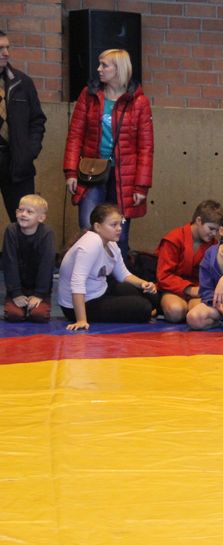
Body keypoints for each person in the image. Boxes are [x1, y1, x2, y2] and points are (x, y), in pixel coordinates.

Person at [64, 48, 153, 257]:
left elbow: (146, 148)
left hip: (125, 176)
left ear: (119, 69)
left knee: (118, 233)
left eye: (104, 65)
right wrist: (70, 172)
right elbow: (75, 135)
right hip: (92, 170)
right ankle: (88, 282)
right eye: (99, 64)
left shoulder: (139, 102)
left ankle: (113, 283)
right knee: (88, 225)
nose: (99, 69)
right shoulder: (89, 95)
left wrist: (141, 186)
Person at [57, 204, 158, 331]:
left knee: (151, 295)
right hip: (77, 305)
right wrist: (81, 320)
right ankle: (147, 311)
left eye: (120, 224)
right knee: (143, 308)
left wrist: (143, 283)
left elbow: (122, 273)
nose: (119, 229)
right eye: (113, 225)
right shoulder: (91, 242)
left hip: (100, 289)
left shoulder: (111, 243)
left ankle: (148, 306)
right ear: (97, 227)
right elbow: (77, 282)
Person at [0, 30, 47, 223]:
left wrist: (29, 151)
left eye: (7, 47)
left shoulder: (22, 82)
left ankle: (20, 255)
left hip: (17, 163)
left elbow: (37, 121)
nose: (6, 53)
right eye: (0, 48)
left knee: (24, 223)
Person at [156, 199, 223, 323]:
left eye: (217, 230)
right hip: (174, 289)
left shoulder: (214, 245)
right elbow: (163, 276)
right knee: (175, 311)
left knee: (198, 314)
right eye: (211, 228)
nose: (214, 234)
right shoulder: (173, 239)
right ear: (198, 221)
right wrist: (190, 290)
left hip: (200, 289)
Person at [2, 194, 54, 323]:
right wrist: (15, 293)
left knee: (39, 315)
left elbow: (47, 265)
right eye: (20, 210)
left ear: (41, 218)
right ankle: (17, 301)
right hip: (18, 286)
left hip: (39, 287)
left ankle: (37, 301)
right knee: (14, 315)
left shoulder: (47, 234)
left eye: (29, 212)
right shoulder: (11, 231)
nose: (23, 214)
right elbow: (10, 263)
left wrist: (39, 294)